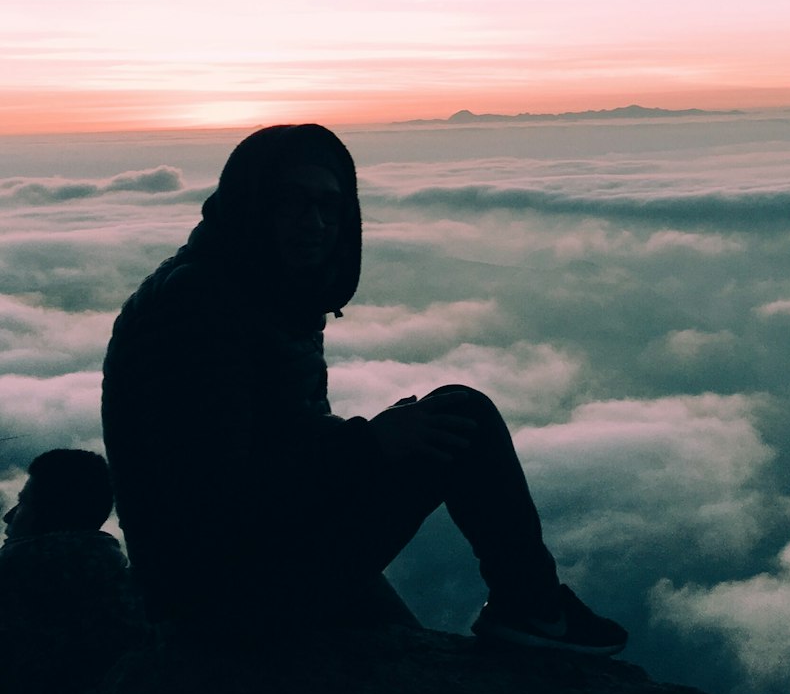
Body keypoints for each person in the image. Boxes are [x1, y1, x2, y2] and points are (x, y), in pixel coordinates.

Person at [101, 124, 626, 654]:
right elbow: (211, 490)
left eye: (331, 208)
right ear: (252, 203)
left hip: (248, 558)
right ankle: (537, 612)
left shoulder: (255, 288)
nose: (317, 223)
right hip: (218, 591)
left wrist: (374, 437)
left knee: (432, 432)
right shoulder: (198, 305)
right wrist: (369, 444)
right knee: (463, 419)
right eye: (295, 203)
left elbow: (268, 438)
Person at [0, 448, 145, 694]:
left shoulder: (10, 586)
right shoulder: (126, 594)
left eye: (23, 504)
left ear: (48, 517)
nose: (9, 516)